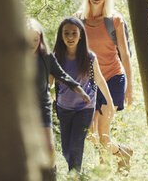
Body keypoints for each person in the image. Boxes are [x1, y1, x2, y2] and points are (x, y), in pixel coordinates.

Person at [75, 0, 133, 166]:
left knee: (103, 132)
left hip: (113, 79)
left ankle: (103, 173)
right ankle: (123, 152)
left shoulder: (114, 20)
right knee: (91, 136)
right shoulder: (78, 20)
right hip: (89, 84)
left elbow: (125, 55)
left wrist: (130, 86)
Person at [26, 18, 91, 179]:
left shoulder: (47, 57)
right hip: (24, 107)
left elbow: (62, 75)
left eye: (36, 39)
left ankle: (53, 173)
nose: (32, 43)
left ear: (40, 39)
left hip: (43, 106)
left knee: (49, 147)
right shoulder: (16, 58)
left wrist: (80, 90)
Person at [49, 17, 115, 172]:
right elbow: (49, 81)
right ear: (61, 36)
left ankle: (75, 175)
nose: (70, 37)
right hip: (64, 108)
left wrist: (110, 102)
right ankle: (81, 172)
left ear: (80, 35)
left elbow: (99, 79)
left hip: (85, 108)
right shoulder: (56, 56)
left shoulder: (89, 57)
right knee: (66, 149)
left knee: (76, 144)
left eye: (74, 33)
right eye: (66, 33)